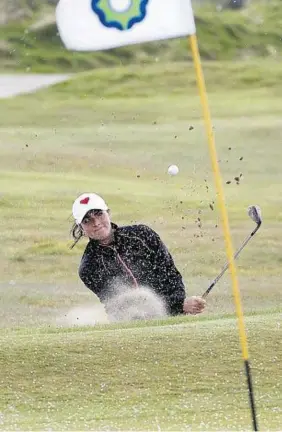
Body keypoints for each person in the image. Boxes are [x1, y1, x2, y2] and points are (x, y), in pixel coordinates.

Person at [71, 192, 206, 317]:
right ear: (81, 227)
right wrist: (178, 305)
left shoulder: (142, 235)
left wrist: (179, 304)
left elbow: (170, 275)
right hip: (133, 325)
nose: (96, 223)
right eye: (87, 220)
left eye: (99, 214)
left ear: (108, 213)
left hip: (173, 316)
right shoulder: (89, 267)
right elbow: (116, 305)